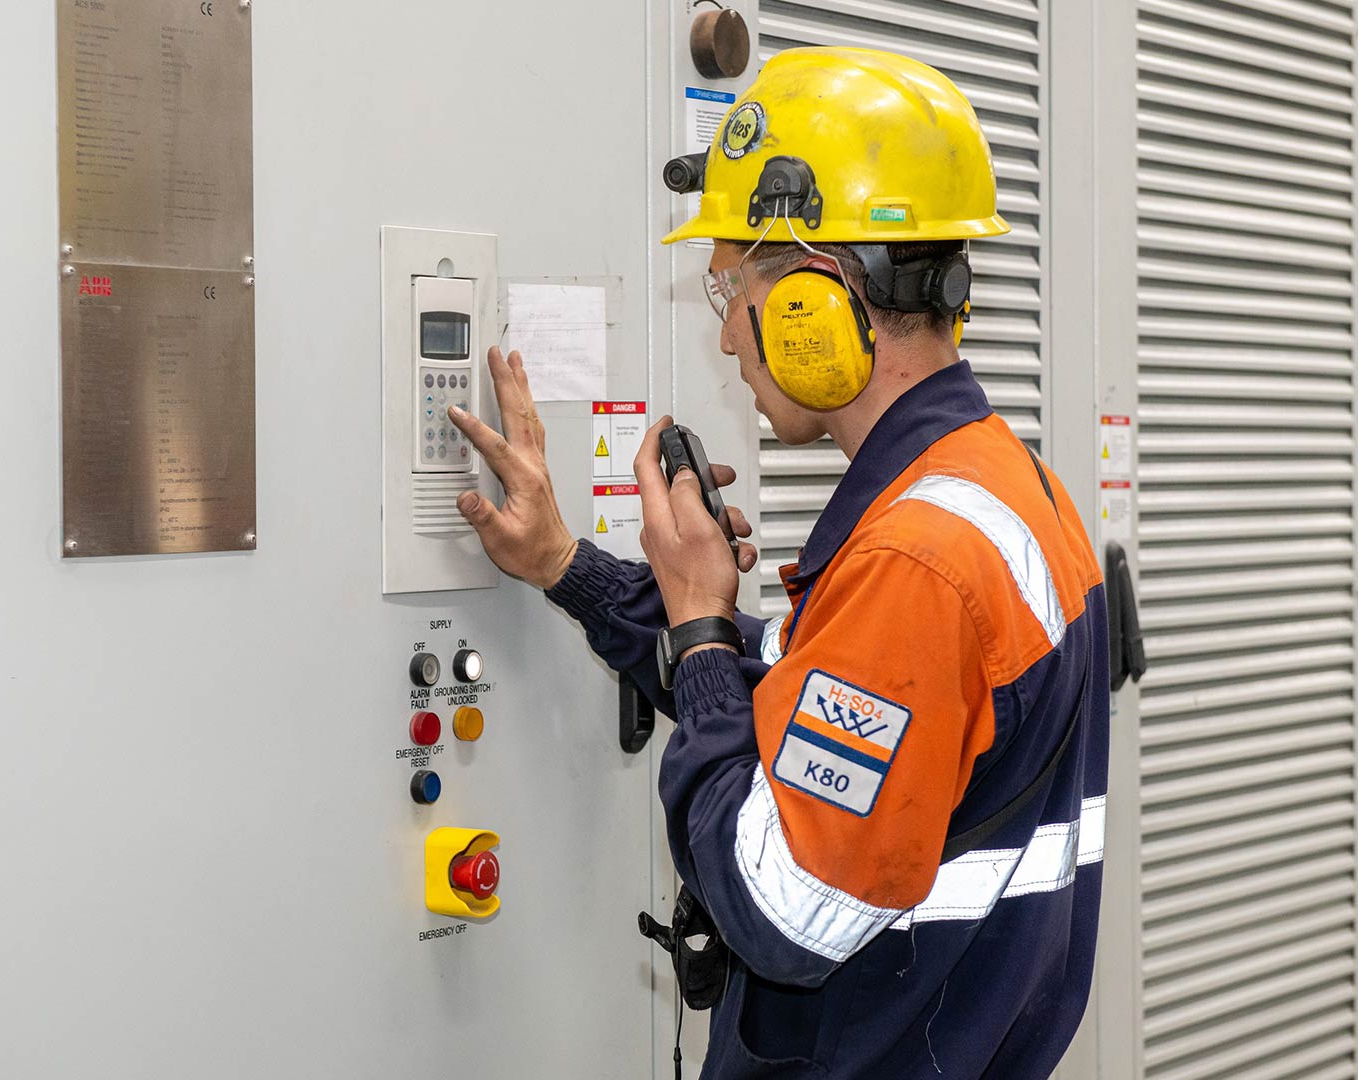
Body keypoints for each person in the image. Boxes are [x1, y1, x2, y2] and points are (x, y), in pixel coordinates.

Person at [446, 47, 1107, 1079]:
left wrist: (703, 624)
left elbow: (778, 909)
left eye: (729, 294)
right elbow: (818, 717)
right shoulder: (1002, 489)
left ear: (815, 300)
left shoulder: (917, 562)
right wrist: (571, 566)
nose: (726, 346)